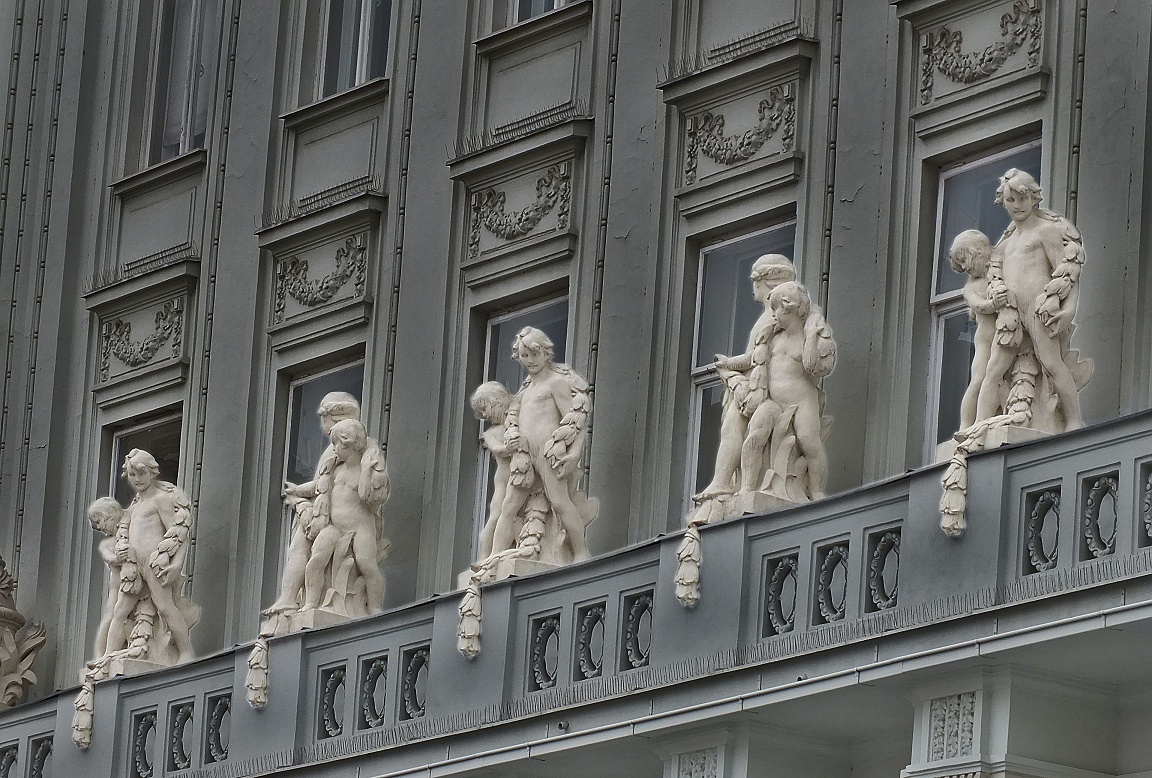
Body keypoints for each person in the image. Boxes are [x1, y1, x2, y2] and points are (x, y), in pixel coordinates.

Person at [987, 168, 1086, 430]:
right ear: (1003, 202)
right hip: (1011, 313)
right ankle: (977, 425)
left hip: (1038, 308)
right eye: (1011, 200)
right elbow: (995, 279)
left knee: (1051, 363)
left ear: (1034, 198)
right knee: (993, 370)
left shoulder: (1045, 231)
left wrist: (1068, 310)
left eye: (1023, 198)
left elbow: (1067, 273)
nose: (1017, 205)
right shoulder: (1005, 245)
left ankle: (1074, 420)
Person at [694, 254, 797, 502]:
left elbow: (756, 356)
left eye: (755, 281)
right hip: (753, 388)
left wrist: (729, 364)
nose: (753, 288)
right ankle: (723, 482)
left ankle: (724, 483)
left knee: (734, 429)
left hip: (759, 390)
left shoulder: (773, 317)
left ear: (764, 282)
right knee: (732, 429)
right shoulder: (770, 316)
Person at [490, 327, 592, 562]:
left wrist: (574, 453)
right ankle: (494, 557)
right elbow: (514, 420)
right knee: (508, 506)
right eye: (524, 356)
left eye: (535, 354)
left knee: (559, 501)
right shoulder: (523, 393)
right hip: (524, 456)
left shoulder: (555, 384)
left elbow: (576, 421)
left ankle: (580, 552)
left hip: (548, 452)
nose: (530, 360)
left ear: (546, 353)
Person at [266, 391, 360, 614]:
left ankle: (292, 599)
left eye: (322, 417)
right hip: (322, 513)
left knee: (302, 551)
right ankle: (292, 598)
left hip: (326, 517)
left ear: (332, 416)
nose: (321, 424)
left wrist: (297, 492)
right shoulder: (341, 447)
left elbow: (321, 485)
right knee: (302, 552)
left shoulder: (338, 447)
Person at [103, 449, 196, 664]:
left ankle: (186, 651)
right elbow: (125, 533)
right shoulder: (133, 507)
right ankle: (108, 656)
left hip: (154, 563)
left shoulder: (160, 500)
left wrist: (177, 564)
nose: (137, 479)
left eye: (142, 473)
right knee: (120, 611)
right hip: (133, 566)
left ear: (152, 472)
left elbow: (179, 534)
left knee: (165, 606)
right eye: (132, 475)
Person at [303, 419, 390, 612]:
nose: (333, 449)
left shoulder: (364, 470)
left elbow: (368, 496)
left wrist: (368, 469)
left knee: (367, 565)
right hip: (334, 528)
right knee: (316, 560)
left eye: (337, 444)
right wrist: (295, 491)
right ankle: (311, 602)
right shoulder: (336, 470)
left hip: (360, 528)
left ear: (350, 444)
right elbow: (317, 487)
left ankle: (375, 608)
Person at [758, 281, 835, 500]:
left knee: (809, 442)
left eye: (776, 309)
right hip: (774, 403)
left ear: (791, 308)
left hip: (802, 401)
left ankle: (816, 490)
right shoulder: (775, 339)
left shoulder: (806, 337)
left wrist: (811, 336)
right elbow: (757, 361)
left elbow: (812, 366)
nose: (773, 315)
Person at [949, 229, 1022, 430]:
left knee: (998, 378)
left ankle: (994, 417)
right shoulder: (971, 287)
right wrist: (993, 304)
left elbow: (1009, 239)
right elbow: (979, 306)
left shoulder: (1000, 268)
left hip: (1004, 336)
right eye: (960, 264)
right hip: (984, 340)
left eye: (965, 260)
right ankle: (966, 426)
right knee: (978, 380)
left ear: (979, 251)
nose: (964, 267)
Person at [470, 381, 514, 559]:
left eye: (484, 408)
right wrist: (511, 447)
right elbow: (498, 449)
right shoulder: (490, 433)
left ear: (497, 401)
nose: (484, 415)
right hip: (504, 481)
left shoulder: (516, 421)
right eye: (481, 412)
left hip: (521, 480)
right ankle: (485, 557)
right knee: (495, 517)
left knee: (512, 516)